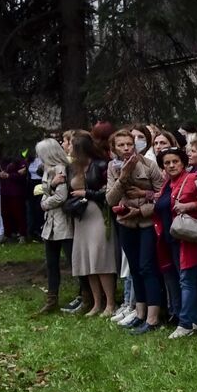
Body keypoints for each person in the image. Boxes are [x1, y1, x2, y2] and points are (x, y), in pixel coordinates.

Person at [107, 128, 165, 332]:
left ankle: (153, 317)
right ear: (114, 148)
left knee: (147, 266)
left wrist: (140, 209)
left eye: (129, 144)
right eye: (121, 145)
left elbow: (162, 195)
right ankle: (139, 313)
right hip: (126, 223)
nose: (125, 148)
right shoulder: (113, 168)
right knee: (134, 267)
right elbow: (110, 199)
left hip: (147, 222)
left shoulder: (149, 165)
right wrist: (123, 178)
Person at [154, 147, 197, 339]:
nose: (171, 165)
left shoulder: (192, 180)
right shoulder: (167, 184)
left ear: (183, 162)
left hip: (188, 238)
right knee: (183, 279)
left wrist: (189, 205)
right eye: (167, 163)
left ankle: (185, 323)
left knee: (187, 280)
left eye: (175, 161)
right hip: (170, 240)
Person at [68, 132, 118, 316]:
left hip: (97, 214)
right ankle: (96, 303)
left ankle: (110, 303)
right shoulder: (74, 168)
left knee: (100, 258)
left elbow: (107, 194)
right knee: (87, 259)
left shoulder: (100, 165)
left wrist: (86, 193)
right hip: (81, 218)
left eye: (72, 146)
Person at [34, 139, 74, 313]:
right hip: (50, 223)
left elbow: (61, 197)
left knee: (73, 261)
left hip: (62, 222)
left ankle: (86, 295)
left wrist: (44, 203)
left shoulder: (60, 169)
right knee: (51, 263)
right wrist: (50, 187)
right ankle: (52, 299)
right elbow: (48, 191)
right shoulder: (47, 170)